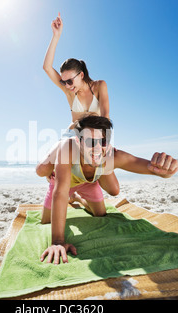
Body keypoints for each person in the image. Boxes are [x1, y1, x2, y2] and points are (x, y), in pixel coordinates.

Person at [38, 115, 178, 265]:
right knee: (46, 216)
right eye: (91, 142)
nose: (98, 147)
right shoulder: (67, 148)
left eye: (103, 141)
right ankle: (65, 188)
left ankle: (77, 198)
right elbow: (60, 192)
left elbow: (155, 170)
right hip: (62, 180)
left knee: (102, 213)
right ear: (79, 142)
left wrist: (169, 169)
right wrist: (58, 241)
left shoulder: (114, 154)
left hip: (88, 182)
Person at [37, 12, 120, 197]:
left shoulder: (100, 86)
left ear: (81, 75)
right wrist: (56, 36)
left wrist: (103, 145)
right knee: (42, 169)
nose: (67, 85)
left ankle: (84, 187)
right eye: (64, 82)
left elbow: (105, 118)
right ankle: (58, 178)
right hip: (73, 137)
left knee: (114, 190)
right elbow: (46, 68)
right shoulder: (69, 91)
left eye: (70, 81)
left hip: (96, 139)